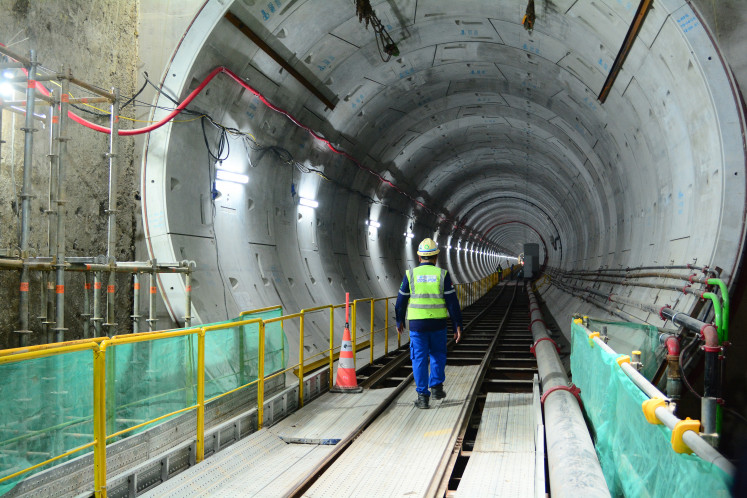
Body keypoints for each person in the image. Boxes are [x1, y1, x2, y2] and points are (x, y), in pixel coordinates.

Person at [396, 238, 463, 409]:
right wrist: (457, 325)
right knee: (438, 355)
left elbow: (401, 302)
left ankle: (423, 397)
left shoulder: (410, 275)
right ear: (436, 257)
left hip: (417, 326)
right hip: (438, 324)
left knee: (418, 358)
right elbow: (452, 303)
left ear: (419, 257)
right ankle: (437, 388)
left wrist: (399, 320)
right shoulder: (442, 275)